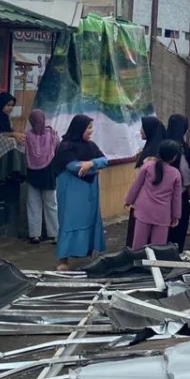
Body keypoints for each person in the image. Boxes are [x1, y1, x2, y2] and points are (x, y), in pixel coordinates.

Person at [53, 114, 108, 270]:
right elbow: (72, 167)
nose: (91, 131)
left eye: (91, 127)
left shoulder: (91, 146)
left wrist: (91, 163)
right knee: (69, 221)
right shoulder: (65, 146)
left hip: (89, 191)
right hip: (71, 191)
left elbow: (105, 161)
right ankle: (63, 260)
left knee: (90, 219)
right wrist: (93, 168)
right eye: (89, 127)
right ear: (79, 128)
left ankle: (91, 251)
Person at [124, 139, 183, 250]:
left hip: (144, 210)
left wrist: (129, 200)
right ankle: (155, 266)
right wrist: (176, 215)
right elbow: (176, 198)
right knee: (158, 247)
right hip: (162, 214)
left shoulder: (147, 166)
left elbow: (136, 185)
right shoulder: (175, 174)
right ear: (174, 157)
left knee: (138, 245)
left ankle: (137, 264)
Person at [126, 116, 167, 246]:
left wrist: (130, 200)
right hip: (153, 205)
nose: (141, 131)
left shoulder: (152, 154)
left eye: (143, 128)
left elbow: (140, 182)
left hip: (144, 204)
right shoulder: (153, 148)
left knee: (140, 240)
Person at [24, 110, 59, 244]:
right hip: (49, 174)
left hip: (32, 174)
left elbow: (24, 153)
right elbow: (58, 151)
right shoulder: (53, 135)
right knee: (51, 204)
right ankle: (54, 234)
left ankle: (34, 235)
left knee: (33, 204)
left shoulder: (27, 136)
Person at [165, 114, 190, 249]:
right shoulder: (182, 147)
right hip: (180, 192)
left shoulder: (163, 143)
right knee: (179, 221)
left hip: (164, 193)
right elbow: (185, 169)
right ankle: (176, 250)